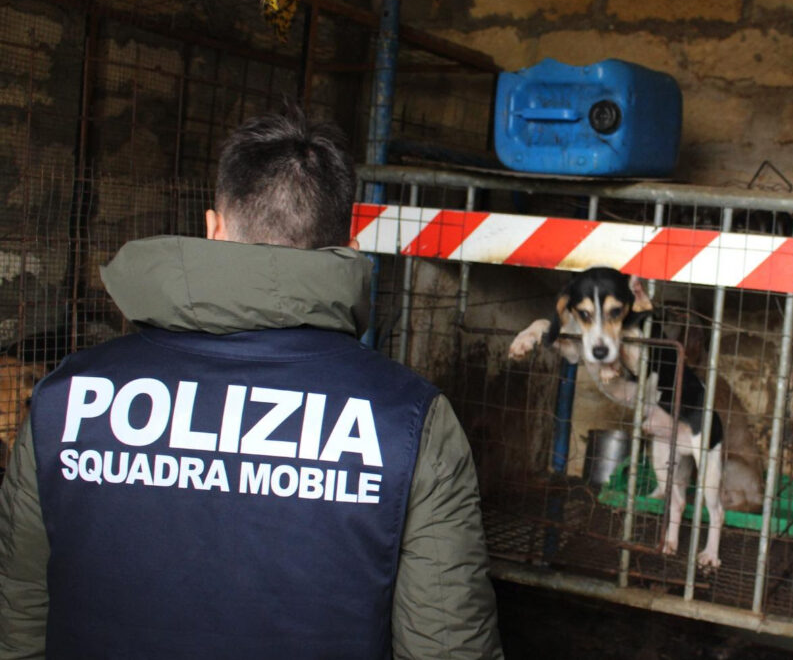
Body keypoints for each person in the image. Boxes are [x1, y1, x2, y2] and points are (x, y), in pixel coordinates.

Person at [0, 108, 503, 659]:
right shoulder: (408, 423)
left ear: (213, 227)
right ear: (347, 241)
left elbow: (21, 619)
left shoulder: (64, 401)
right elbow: (447, 646)